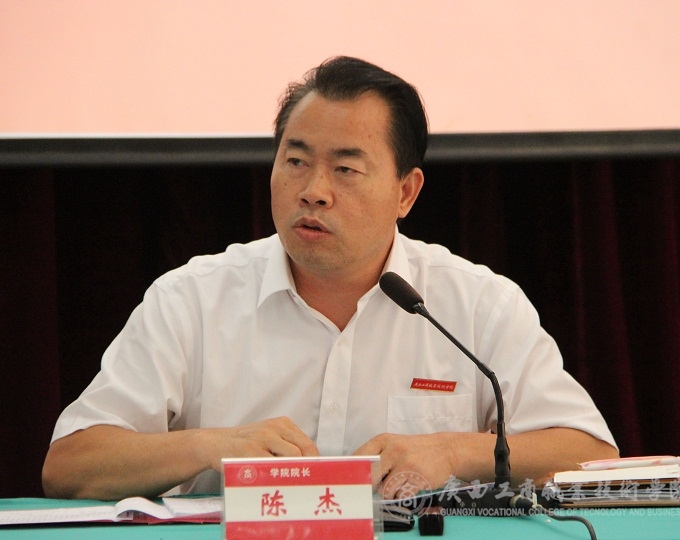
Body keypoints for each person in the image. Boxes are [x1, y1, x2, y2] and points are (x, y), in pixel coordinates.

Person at [42, 56, 618, 501]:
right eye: (295, 161)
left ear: (406, 192)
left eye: (345, 168)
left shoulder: (475, 304)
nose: (313, 190)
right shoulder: (192, 299)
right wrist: (211, 447)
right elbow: (69, 466)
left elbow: (588, 454)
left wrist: (450, 451)